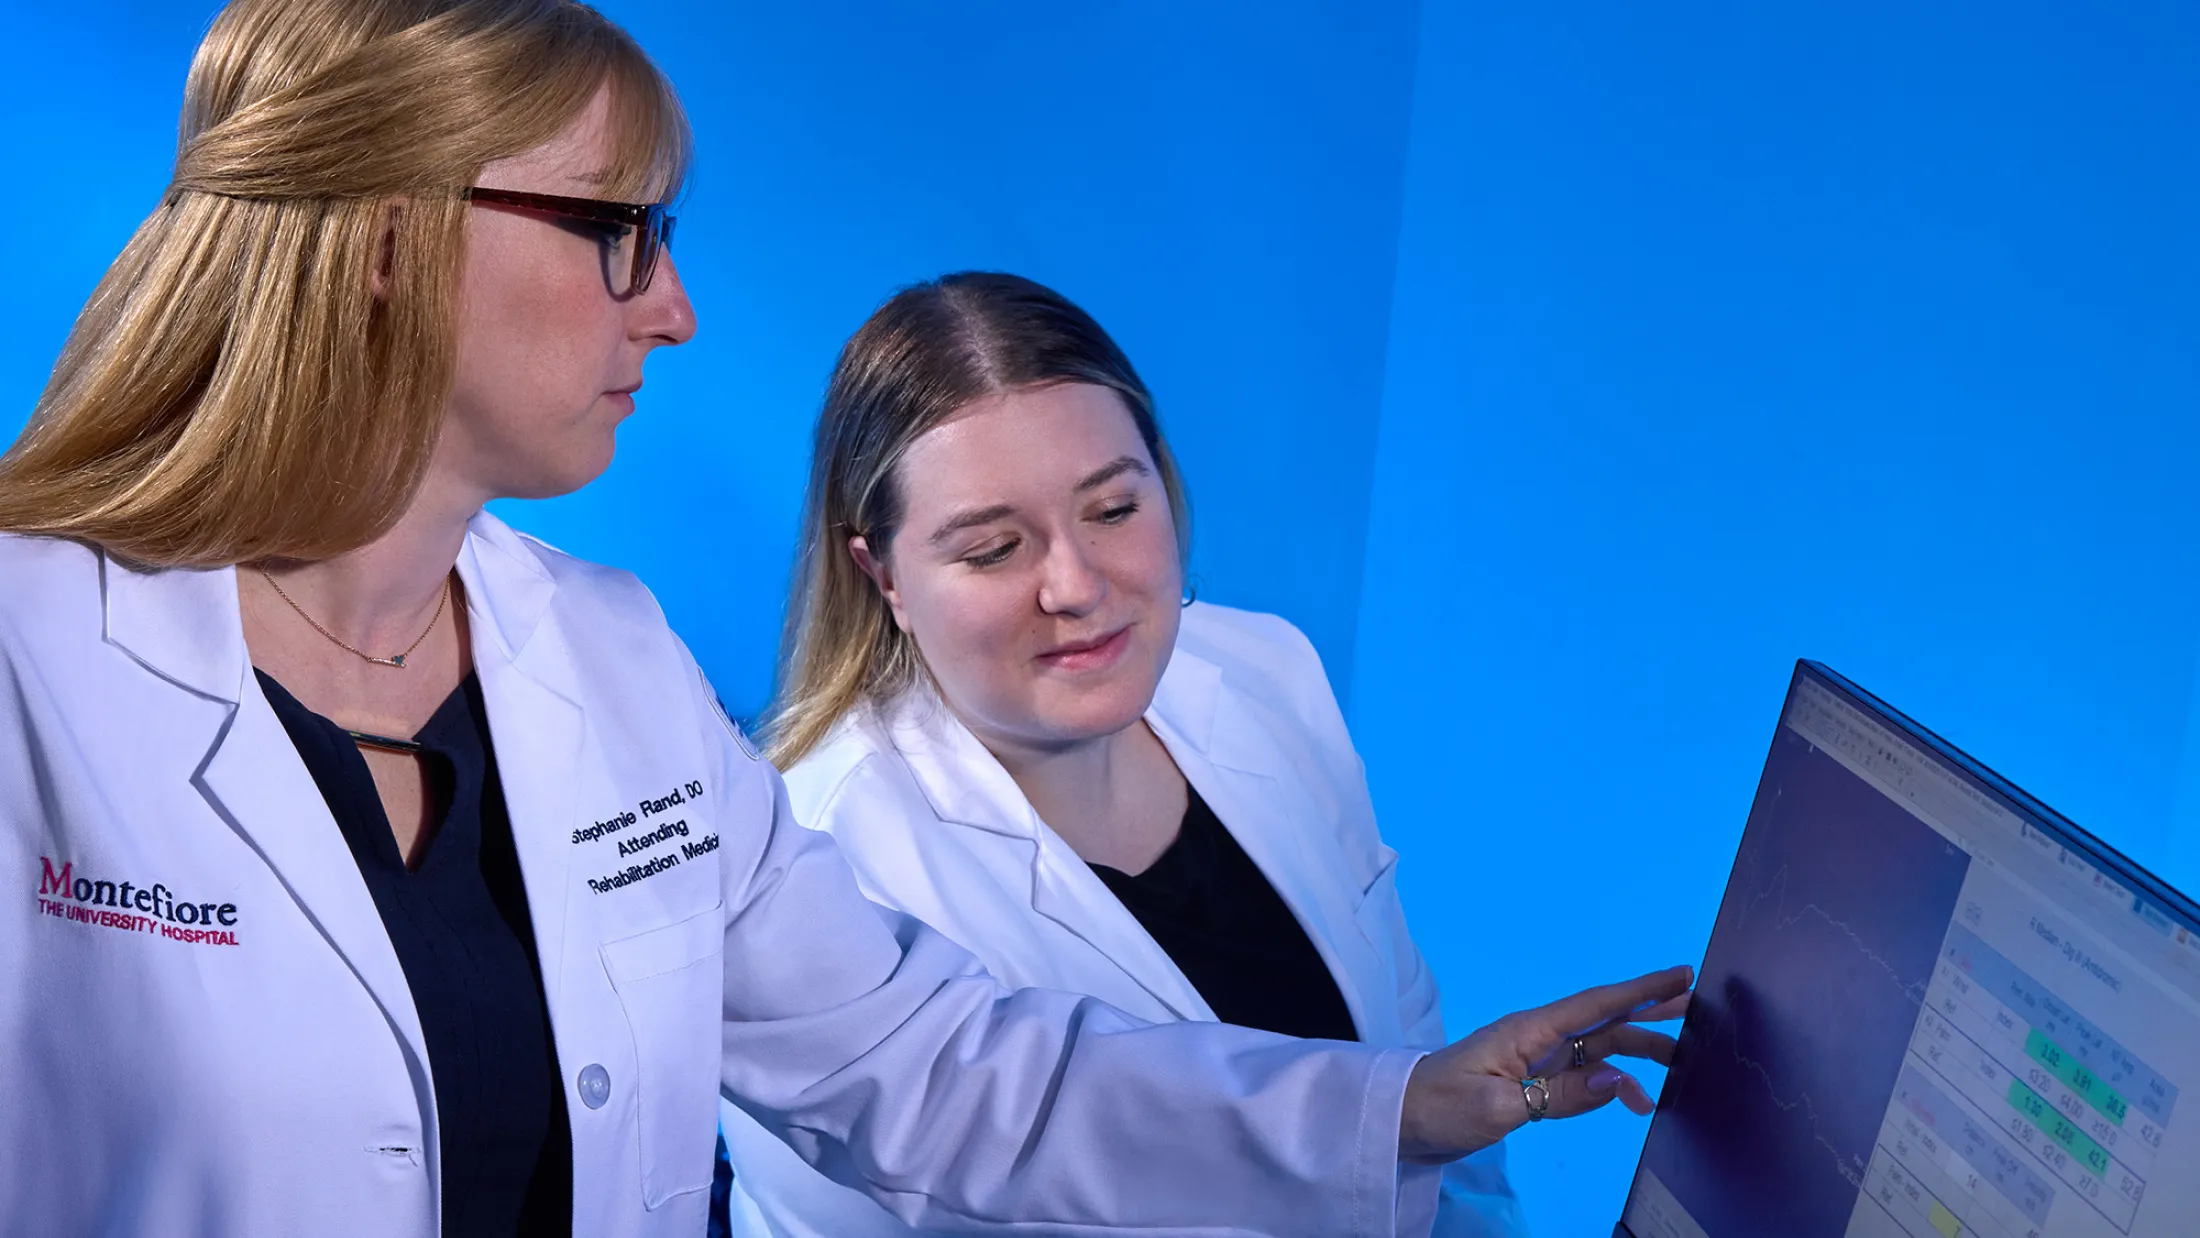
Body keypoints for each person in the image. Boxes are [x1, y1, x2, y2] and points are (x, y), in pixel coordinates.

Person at [0, 3, 1689, 1236]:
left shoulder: (600, 659)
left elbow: (936, 1065)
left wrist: (1408, 1100)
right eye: (617, 233)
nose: (674, 306)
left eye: (1115, 506)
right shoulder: (32, 669)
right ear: (383, 238)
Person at [718, 273, 1537, 1237]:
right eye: (991, 549)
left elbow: (1410, 1042)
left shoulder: (1263, 669)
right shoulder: (815, 863)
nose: (1073, 586)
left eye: (1112, 510)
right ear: (882, 573)